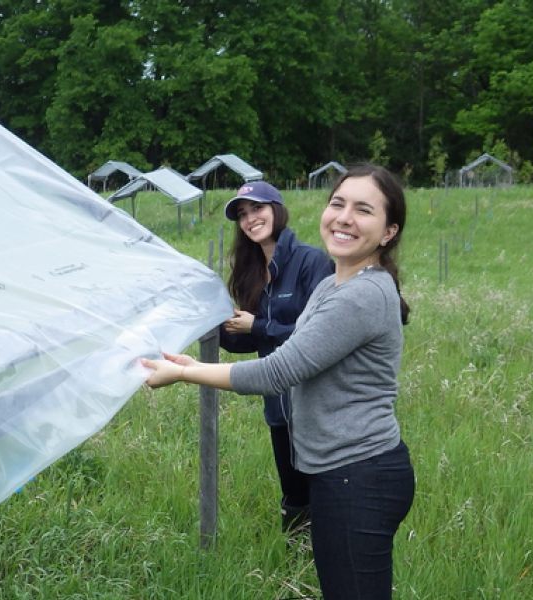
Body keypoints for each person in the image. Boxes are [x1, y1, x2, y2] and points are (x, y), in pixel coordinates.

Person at [142, 164, 415, 599]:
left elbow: (278, 370)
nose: (344, 217)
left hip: (359, 476)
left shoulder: (360, 295)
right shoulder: (335, 286)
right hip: (339, 473)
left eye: (363, 210)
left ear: (388, 231)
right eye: (338, 203)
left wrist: (185, 371)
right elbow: (270, 345)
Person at [218, 180, 333, 535]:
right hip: (278, 407)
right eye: (242, 214)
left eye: (258, 209)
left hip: (316, 406)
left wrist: (259, 325)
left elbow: (319, 335)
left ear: (277, 210)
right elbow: (247, 342)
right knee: (294, 496)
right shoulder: (251, 270)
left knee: (326, 494)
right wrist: (217, 326)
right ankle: (295, 569)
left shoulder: (311, 262)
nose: (250, 219)